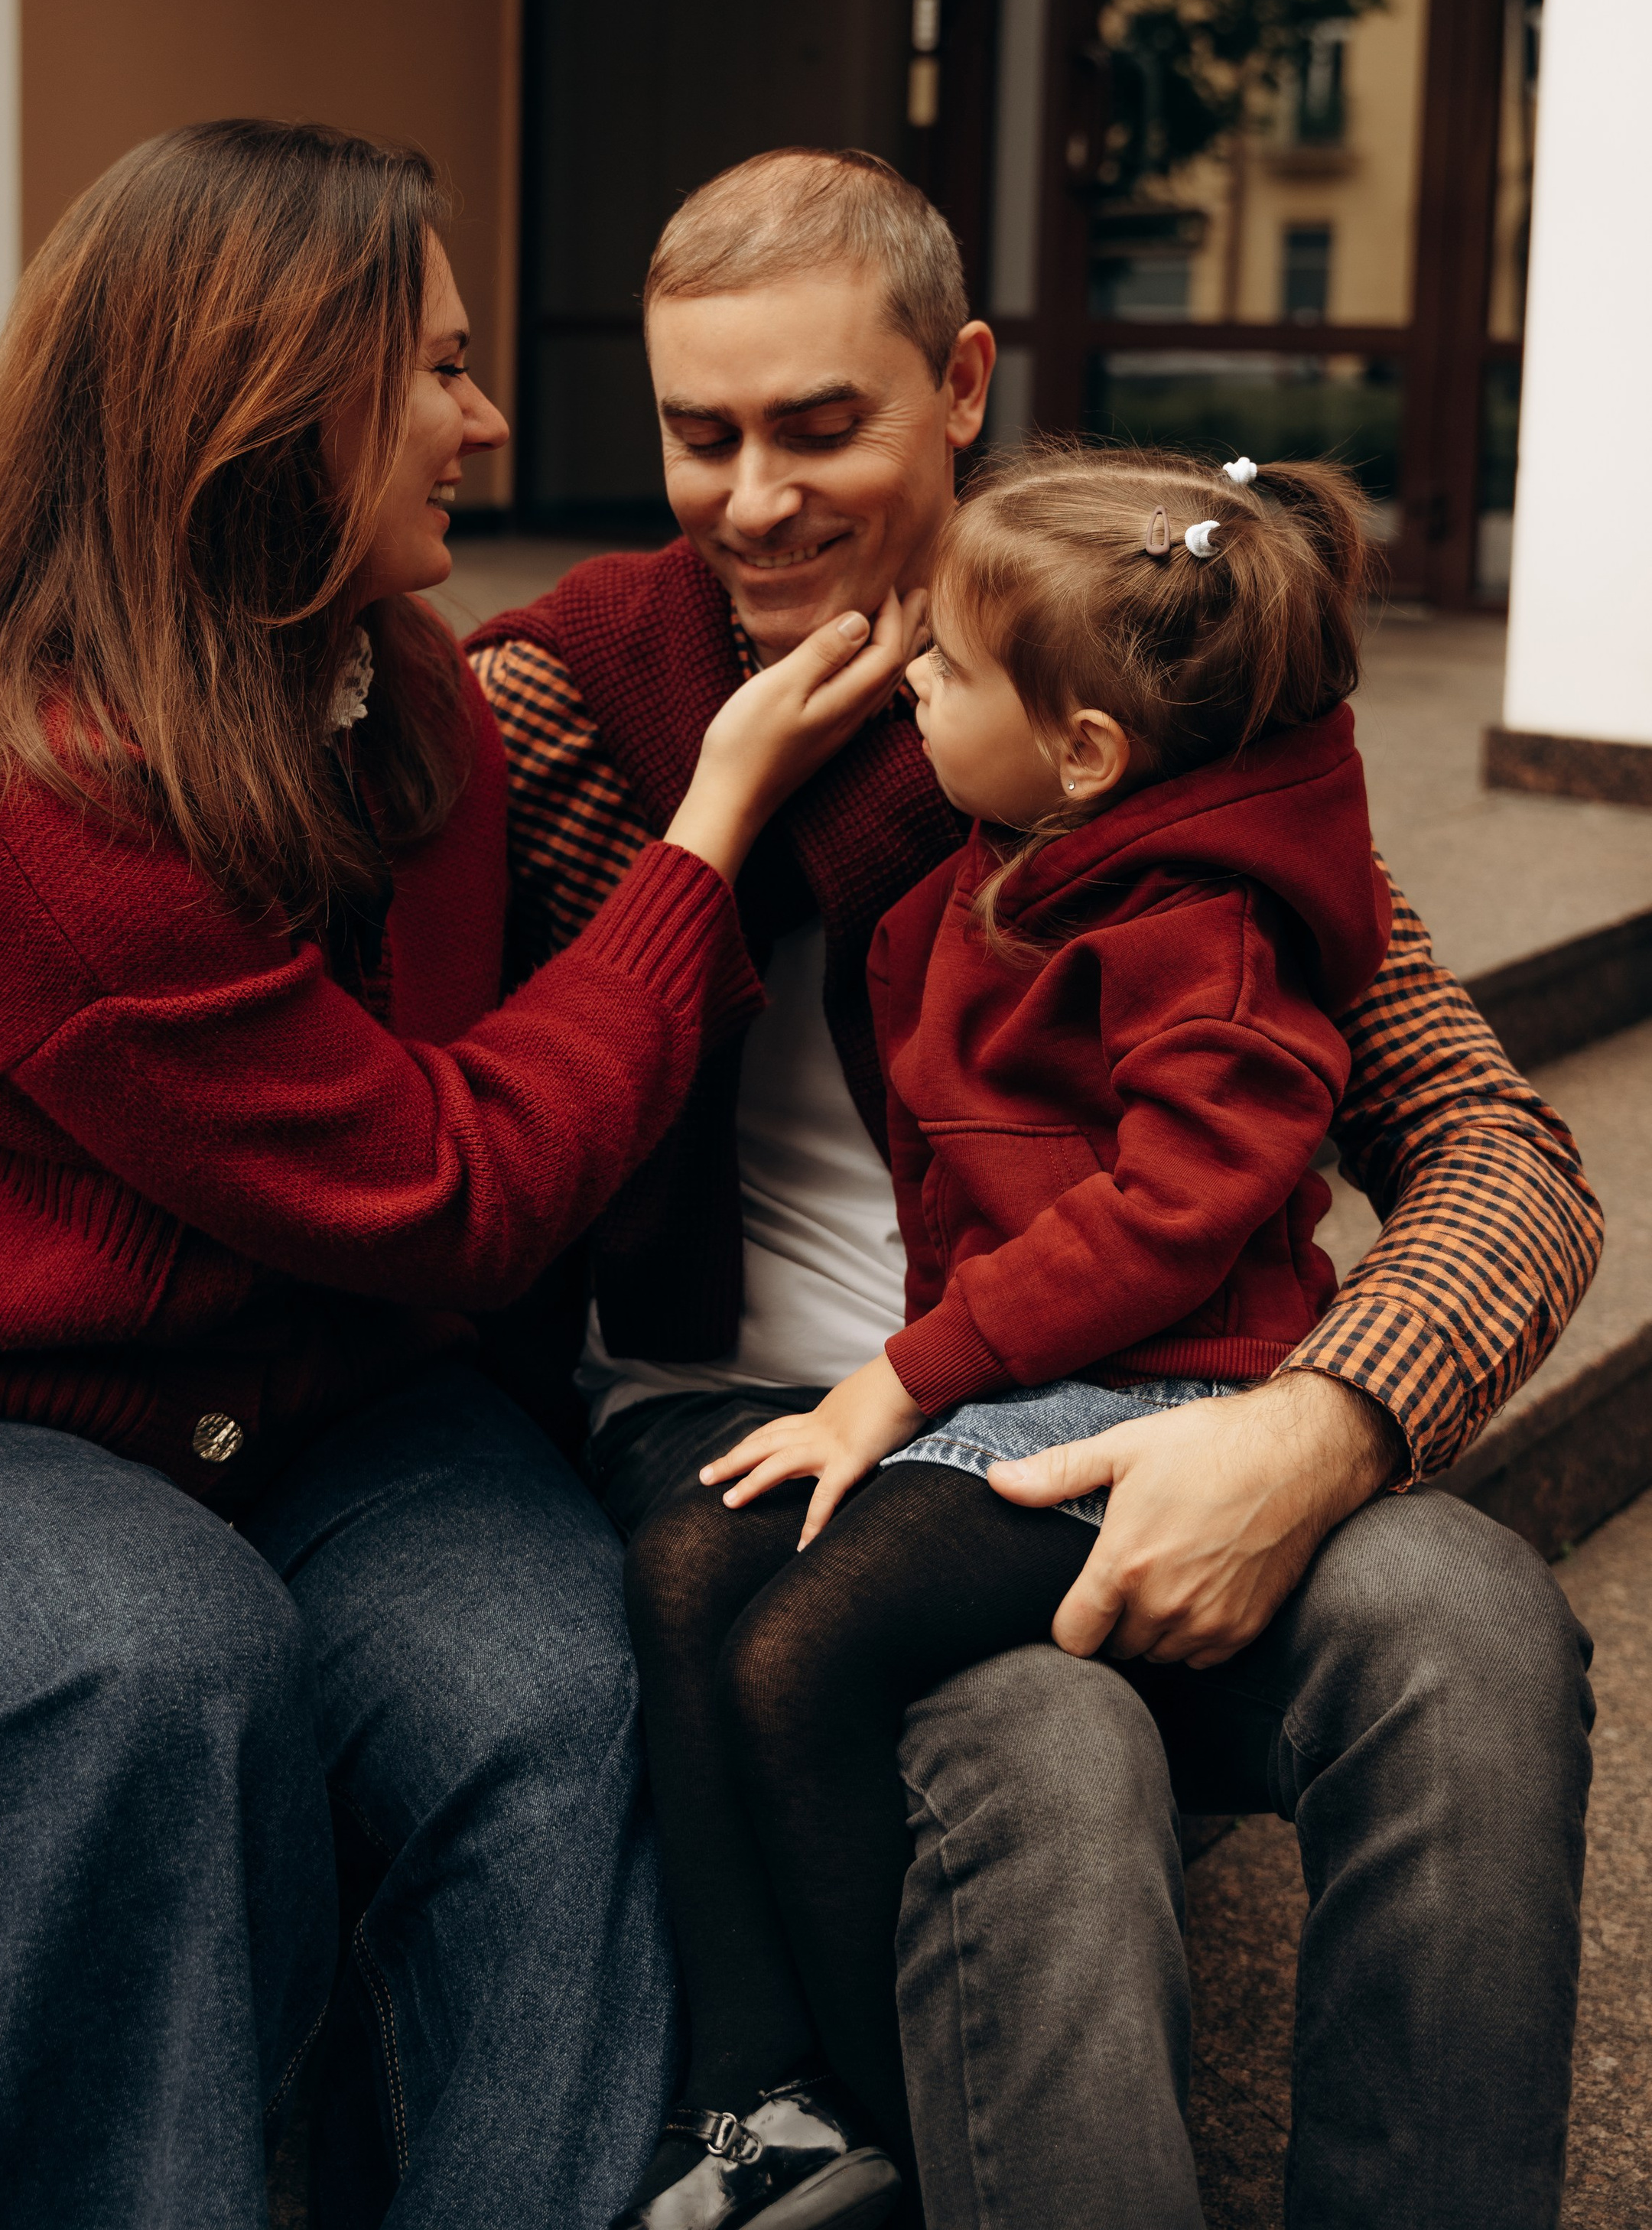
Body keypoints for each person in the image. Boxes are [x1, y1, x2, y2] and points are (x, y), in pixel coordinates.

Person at [0, 117, 919, 2230]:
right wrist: (704, 835)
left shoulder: (408, 692)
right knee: (134, 1656)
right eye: (437, 366)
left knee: (552, 1681)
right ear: (271, 404)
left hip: (310, 1409)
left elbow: (433, 1077)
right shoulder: (17, 782)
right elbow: (442, 1187)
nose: (490, 415)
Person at [465, 147, 1599, 2230]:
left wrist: (1321, 1419)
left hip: (1137, 1388)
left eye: (824, 424)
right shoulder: (570, 710)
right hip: (748, 1433)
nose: (755, 496)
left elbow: (1498, 1145)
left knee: (1474, 1616)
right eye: (700, 434)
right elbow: (298, 938)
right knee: (1040, 1750)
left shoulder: (1131, 680)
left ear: (963, 381)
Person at [614, 445, 1394, 2225]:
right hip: (1023, 1382)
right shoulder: (1041, 839)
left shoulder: (1205, 925)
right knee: (681, 1568)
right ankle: (759, 2094)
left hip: (1151, 1404)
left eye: (947, 672)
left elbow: (1168, 1213)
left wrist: (893, 1383)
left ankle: (907, 2127)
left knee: (796, 1651)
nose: (908, 681)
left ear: (1088, 749)